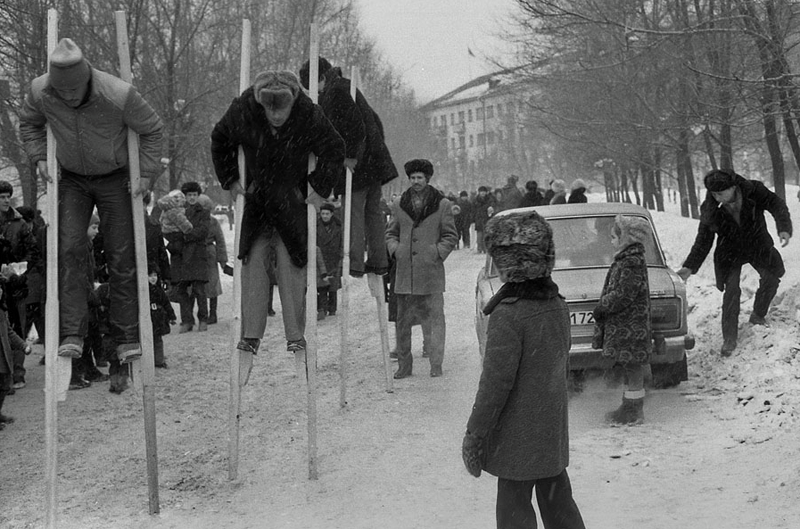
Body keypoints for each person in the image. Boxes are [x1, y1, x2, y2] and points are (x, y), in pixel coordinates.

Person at [18, 38, 163, 363]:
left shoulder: (118, 94)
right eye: (62, 92)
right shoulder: (41, 91)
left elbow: (152, 129)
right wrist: (40, 156)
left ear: (86, 80)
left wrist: (146, 173)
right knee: (68, 249)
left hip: (114, 176)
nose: (68, 97)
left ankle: (126, 337)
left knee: (121, 255)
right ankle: (73, 333)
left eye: (74, 91)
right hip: (72, 178)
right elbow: (29, 123)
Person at [462, 210, 585, 529]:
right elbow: (563, 362)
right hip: (549, 430)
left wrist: (475, 433)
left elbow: (494, 384)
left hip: (516, 438)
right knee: (559, 506)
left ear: (506, 263)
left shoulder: (509, 314)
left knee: (514, 512)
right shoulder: (556, 303)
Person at [211, 70, 345, 355]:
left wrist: (319, 189)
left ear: (292, 102)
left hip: (292, 199)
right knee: (253, 262)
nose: (274, 116)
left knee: (292, 264)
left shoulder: (308, 113)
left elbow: (335, 147)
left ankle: (296, 334)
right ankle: (250, 335)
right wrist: (231, 179)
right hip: (257, 199)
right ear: (260, 102)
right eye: (268, 109)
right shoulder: (244, 108)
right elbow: (220, 137)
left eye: (280, 109)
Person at [299, 57, 398, 277]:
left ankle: (355, 262)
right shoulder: (347, 87)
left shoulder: (335, 93)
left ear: (322, 78)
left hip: (358, 166)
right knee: (373, 213)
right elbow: (374, 121)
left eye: (314, 86)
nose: (314, 93)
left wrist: (348, 156)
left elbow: (352, 125)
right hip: (374, 163)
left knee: (352, 213)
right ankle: (379, 260)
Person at [677, 169, 792, 355]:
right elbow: (703, 239)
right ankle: (729, 338)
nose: (717, 198)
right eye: (713, 194)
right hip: (729, 250)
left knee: (772, 277)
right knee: (731, 290)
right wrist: (690, 266)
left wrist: (784, 228)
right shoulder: (710, 208)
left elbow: (776, 204)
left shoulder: (753, 191)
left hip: (757, 243)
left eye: (721, 193)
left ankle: (758, 314)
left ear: (733, 187)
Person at [385, 159, 458, 379]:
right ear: (409, 179)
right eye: (413, 178)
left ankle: (436, 363)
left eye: (420, 178)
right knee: (403, 323)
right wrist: (396, 249)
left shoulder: (442, 204)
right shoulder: (399, 203)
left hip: (431, 274)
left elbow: (450, 235)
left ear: (427, 179)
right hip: (405, 275)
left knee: (434, 321)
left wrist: (436, 252)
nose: (416, 181)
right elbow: (390, 233)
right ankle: (404, 366)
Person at [592, 215, 652, 424]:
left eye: (614, 237)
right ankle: (629, 407)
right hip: (627, 323)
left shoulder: (631, 262)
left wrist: (603, 306)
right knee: (629, 365)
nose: (611, 241)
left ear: (626, 238)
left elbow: (624, 293)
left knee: (633, 366)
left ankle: (634, 411)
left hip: (630, 325)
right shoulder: (627, 259)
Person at [0, 181, 39, 390]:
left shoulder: (19, 223)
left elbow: (32, 250)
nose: (6, 200)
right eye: (2, 197)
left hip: (15, 284)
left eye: (8, 196)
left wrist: (20, 271)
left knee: (17, 328)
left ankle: (17, 373)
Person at [166, 181, 210, 333]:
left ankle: (203, 319)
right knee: (181, 291)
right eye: (189, 195)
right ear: (184, 196)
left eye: (194, 195)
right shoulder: (176, 211)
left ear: (198, 196)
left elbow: (203, 231)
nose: (192, 198)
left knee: (199, 290)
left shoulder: (203, 212)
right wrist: (184, 236)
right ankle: (186, 321)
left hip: (197, 255)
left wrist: (184, 236)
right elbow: (169, 230)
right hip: (180, 256)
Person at [0, 282, 31, 431]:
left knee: (5, 386)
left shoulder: (2, 311)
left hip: (3, 354)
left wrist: (23, 345)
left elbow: (10, 332)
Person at [197, 194, 231, 324]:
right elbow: (220, 241)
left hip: (206, 253)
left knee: (210, 283)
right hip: (203, 253)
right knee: (205, 284)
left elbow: (220, 241)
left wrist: (223, 260)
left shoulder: (211, 222)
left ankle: (210, 314)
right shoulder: (210, 221)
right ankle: (208, 314)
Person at [317, 203, 342, 316]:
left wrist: (341, 255)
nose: (325, 216)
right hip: (320, 258)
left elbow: (342, 242)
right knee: (321, 284)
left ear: (332, 214)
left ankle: (332, 308)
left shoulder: (338, 226)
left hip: (334, 258)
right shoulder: (315, 226)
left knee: (332, 285)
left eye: (327, 214)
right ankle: (322, 308)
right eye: (323, 214)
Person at [148, 266, 176, 368]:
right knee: (148, 340)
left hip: (158, 318)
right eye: (150, 276)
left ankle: (159, 360)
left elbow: (166, 303)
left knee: (158, 340)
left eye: (155, 275)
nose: (153, 278)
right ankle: (150, 360)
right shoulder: (143, 291)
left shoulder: (159, 290)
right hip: (149, 318)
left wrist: (171, 316)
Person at [473, 186, 495, 254]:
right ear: (479, 192)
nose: (482, 193)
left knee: (486, 235)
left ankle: (485, 249)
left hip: (486, 219)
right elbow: (473, 210)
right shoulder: (475, 200)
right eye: (481, 192)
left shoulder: (489, 200)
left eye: (484, 192)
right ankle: (479, 248)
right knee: (479, 236)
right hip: (478, 219)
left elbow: (492, 209)